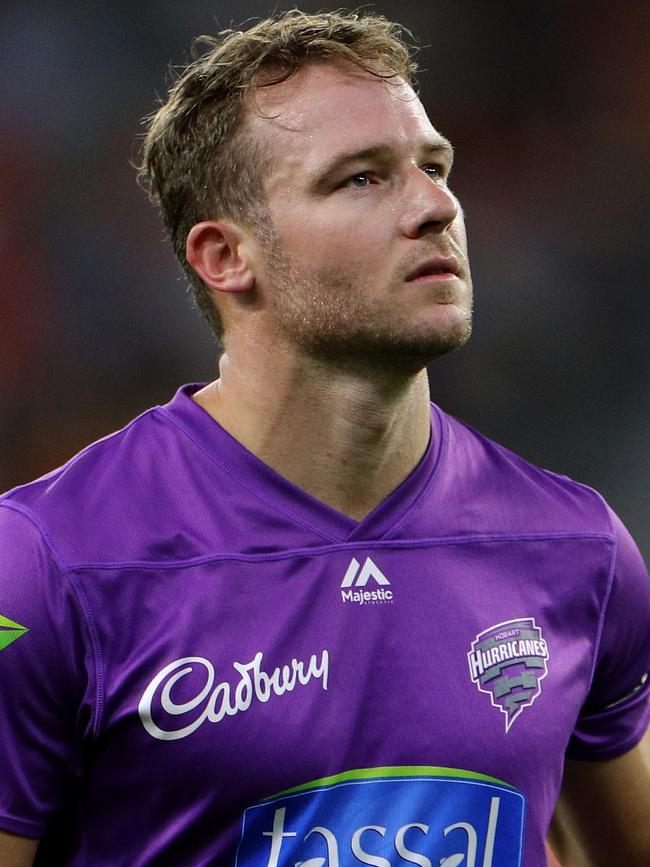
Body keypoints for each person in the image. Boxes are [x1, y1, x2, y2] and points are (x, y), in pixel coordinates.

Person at [0, 9, 648, 867]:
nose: (437, 206)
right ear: (225, 255)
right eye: (361, 179)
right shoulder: (50, 561)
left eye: (435, 166)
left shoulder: (576, 546)